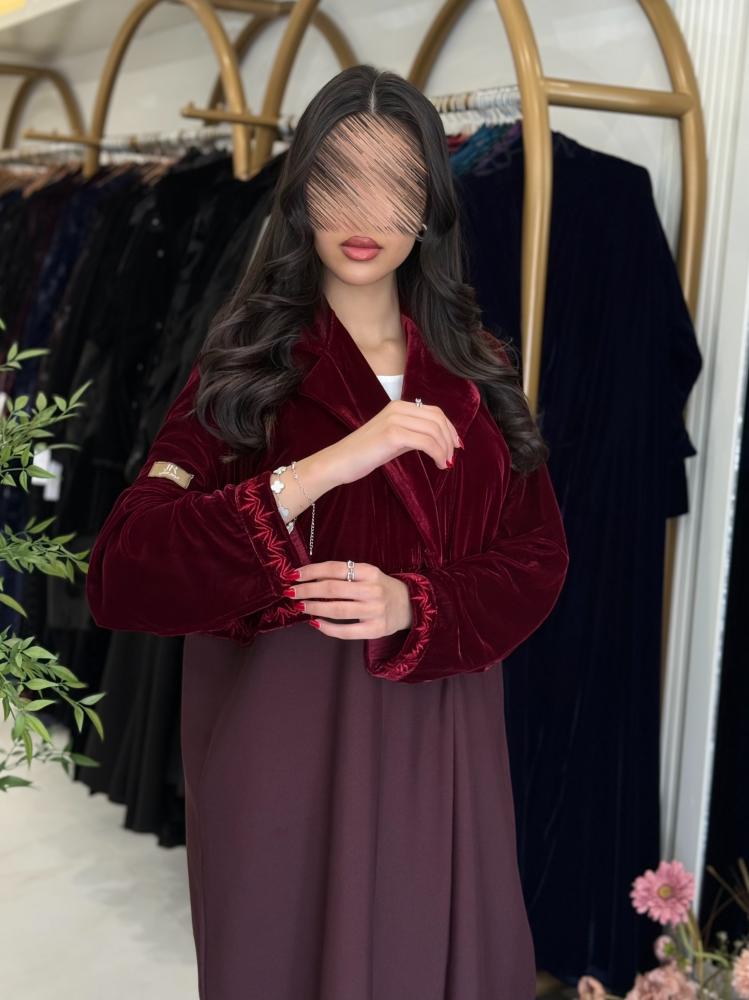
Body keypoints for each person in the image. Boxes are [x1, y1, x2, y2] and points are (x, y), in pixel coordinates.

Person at [86, 63, 569, 1000]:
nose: (365, 210)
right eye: (339, 176)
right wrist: (324, 467)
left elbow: (538, 557)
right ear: (301, 191)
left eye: (396, 182)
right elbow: (125, 571)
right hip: (287, 746)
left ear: (430, 203)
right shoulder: (243, 369)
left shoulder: (475, 373)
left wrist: (416, 604)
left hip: (440, 741)